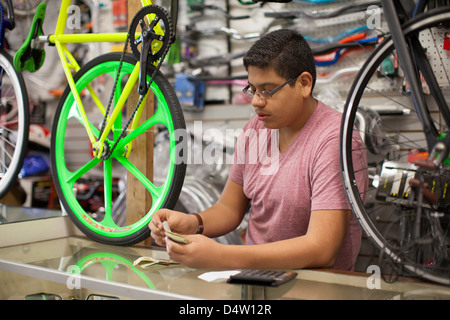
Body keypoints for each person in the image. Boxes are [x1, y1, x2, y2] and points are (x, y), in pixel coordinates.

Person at [149, 29, 368, 271]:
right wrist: (192, 223)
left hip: (316, 290)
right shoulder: (255, 130)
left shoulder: (334, 140)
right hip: (256, 284)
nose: (256, 101)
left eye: (268, 90)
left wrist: (223, 256)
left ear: (304, 84)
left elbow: (321, 249)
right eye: (252, 89)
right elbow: (229, 209)